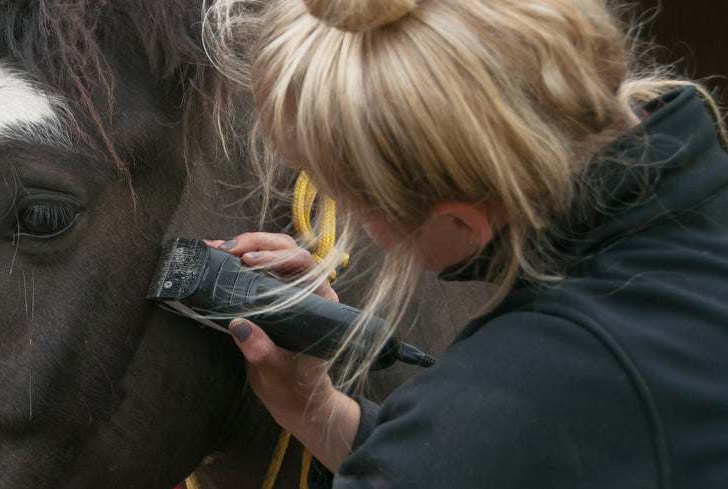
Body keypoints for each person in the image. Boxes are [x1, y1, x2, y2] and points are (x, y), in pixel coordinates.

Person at [201, 0, 728, 487]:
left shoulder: (502, 408)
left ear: (462, 221)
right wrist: (316, 410)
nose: (359, 230)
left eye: (355, 204)